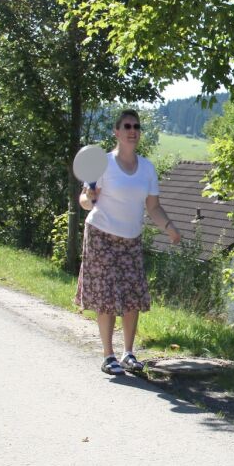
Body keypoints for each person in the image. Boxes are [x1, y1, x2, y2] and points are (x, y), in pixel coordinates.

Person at [75, 110, 181, 375]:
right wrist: (91, 196)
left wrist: (169, 228)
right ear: (117, 132)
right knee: (108, 295)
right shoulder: (104, 164)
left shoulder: (147, 168)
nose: (133, 130)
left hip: (131, 239)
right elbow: (85, 202)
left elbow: (153, 207)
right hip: (101, 235)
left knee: (133, 296)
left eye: (136, 126)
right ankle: (108, 355)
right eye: (127, 126)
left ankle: (128, 354)